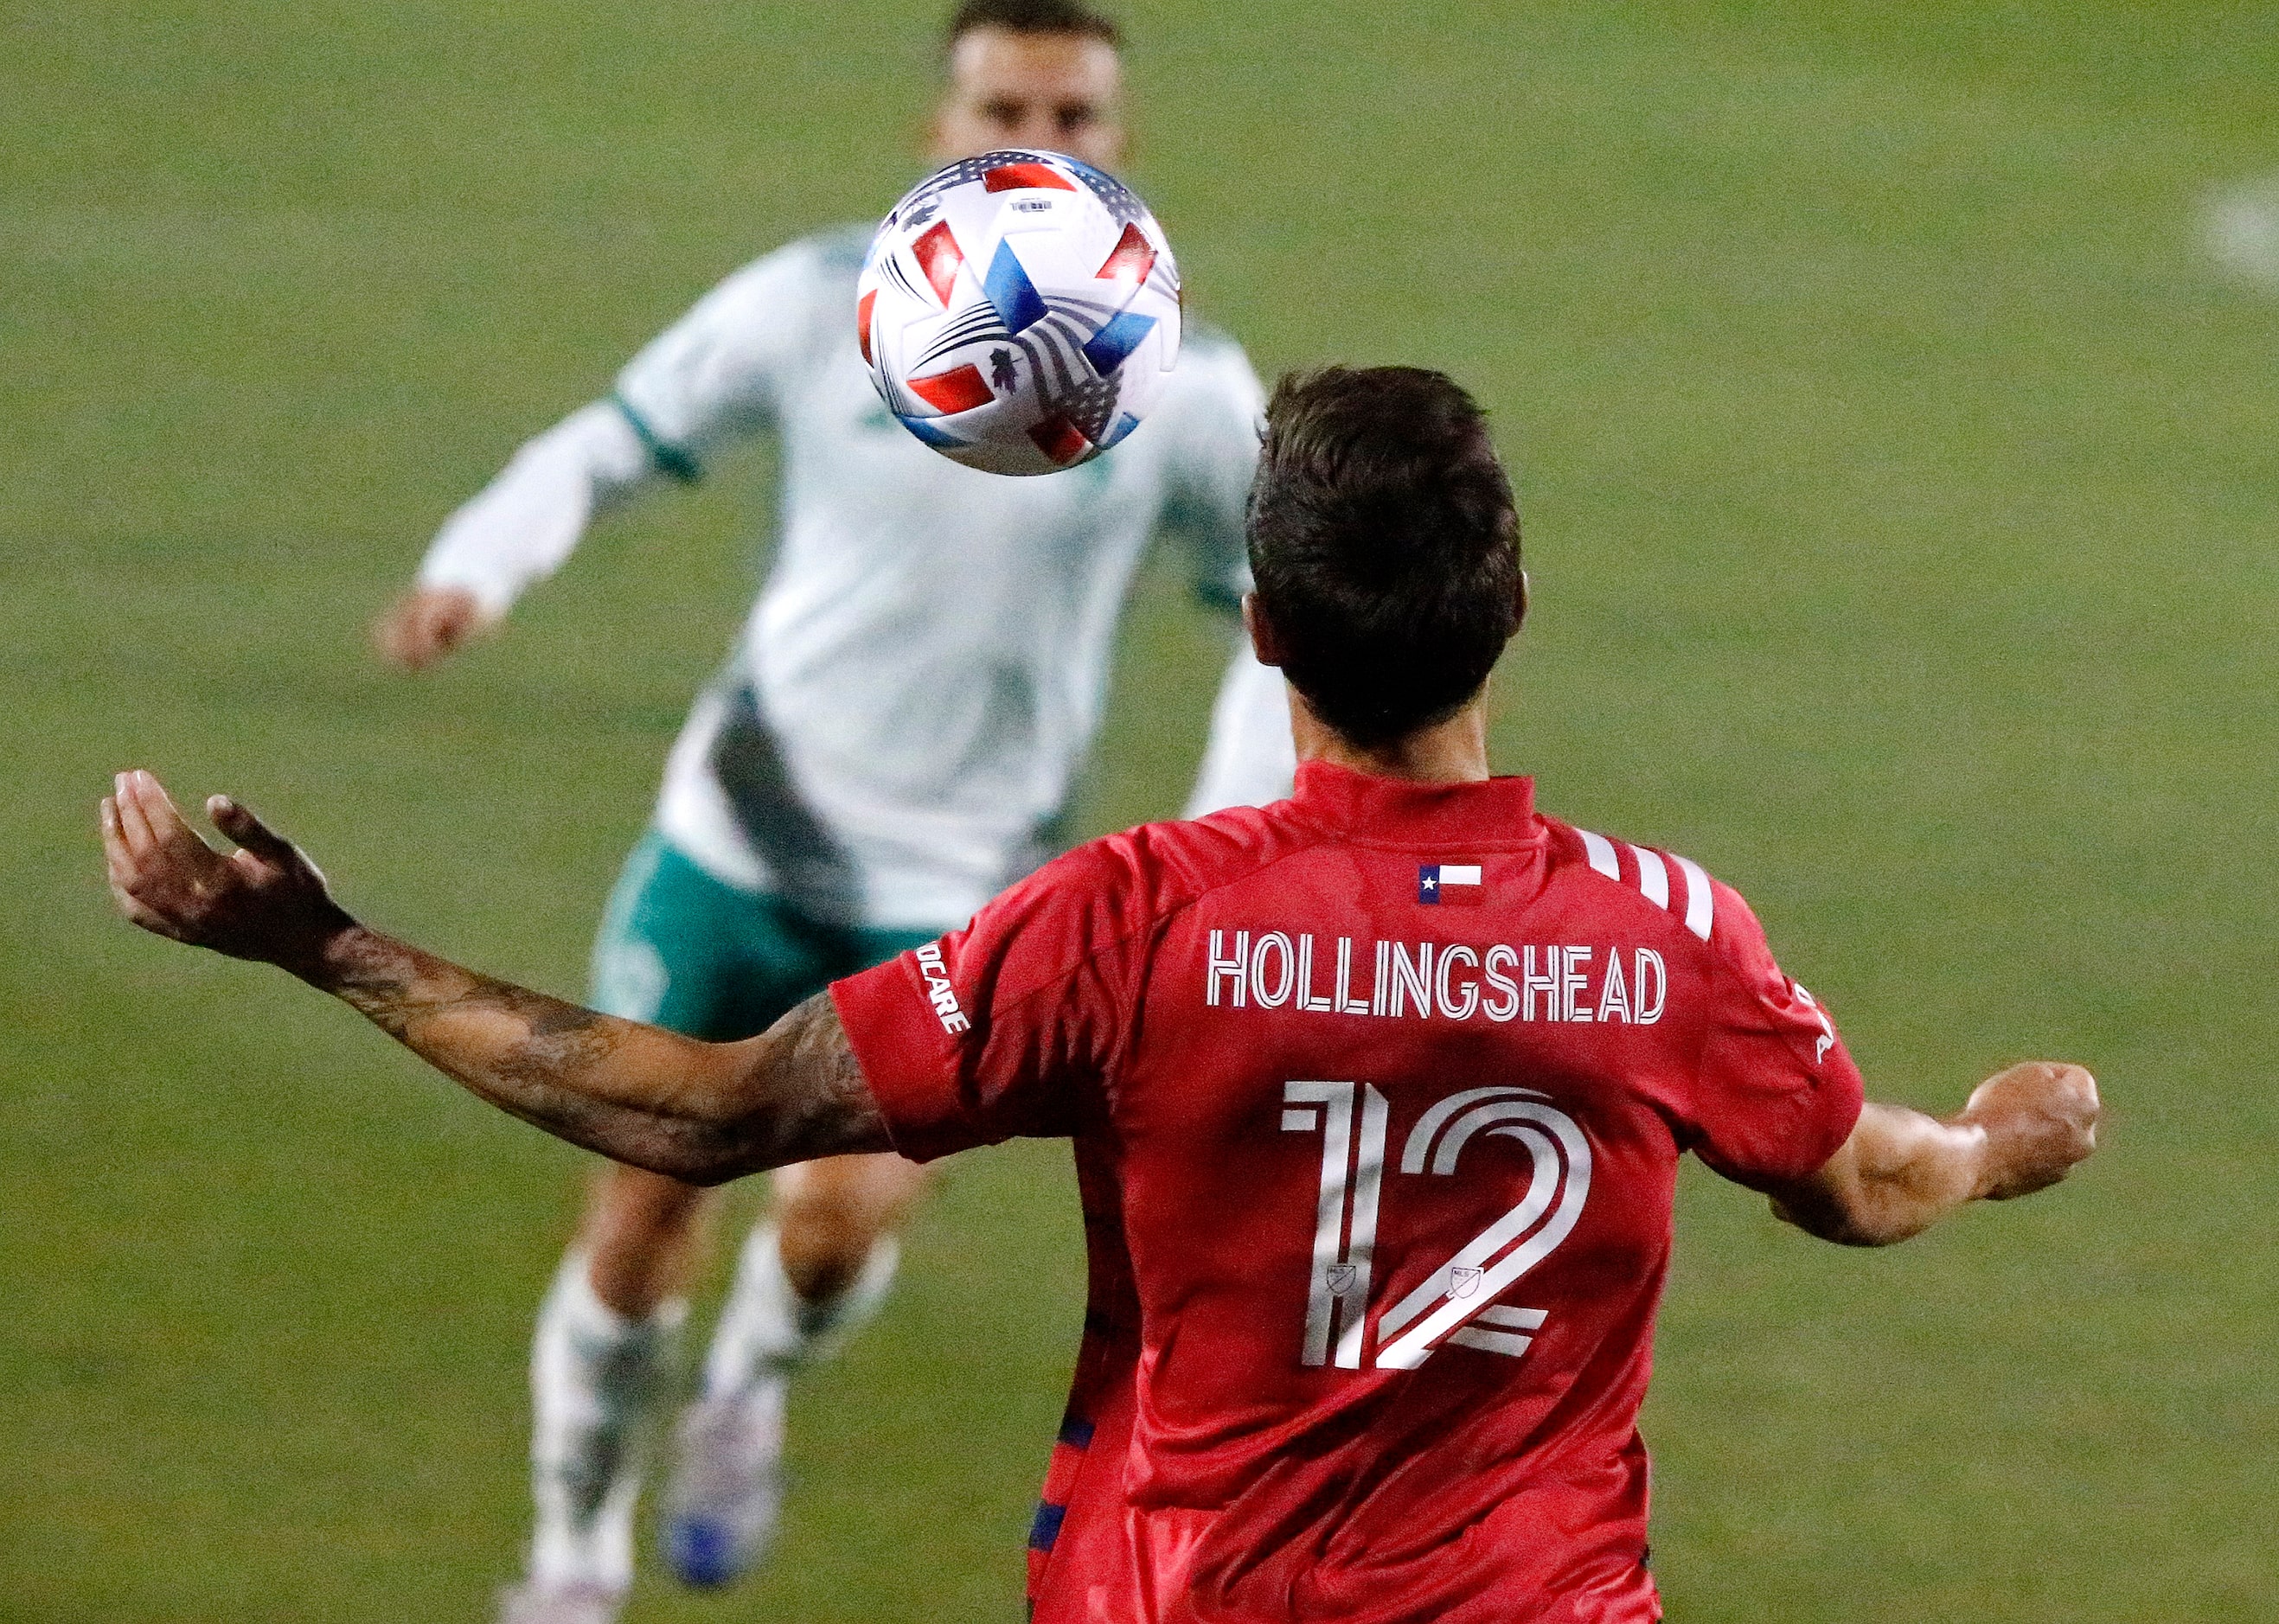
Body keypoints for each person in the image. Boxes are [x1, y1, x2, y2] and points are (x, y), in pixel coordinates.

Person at [105, 365, 2101, 1623]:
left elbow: (701, 1114)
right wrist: (2015, 1137)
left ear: (1261, 631)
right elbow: (1869, 1181)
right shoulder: (1667, 936)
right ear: (1512, 608)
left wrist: (324, 946)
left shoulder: (1131, 920)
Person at [368, 1, 1290, 1616]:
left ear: (1122, 148)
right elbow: (617, 436)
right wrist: (478, 560)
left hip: (959, 888)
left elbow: (1285, 625)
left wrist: (1226, 833)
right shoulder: (818, 307)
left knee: (834, 1233)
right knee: (642, 1196)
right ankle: (572, 1560)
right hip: (739, 836)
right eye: (1004, 107)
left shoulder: (1186, 388)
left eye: (1074, 118)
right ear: (937, 129)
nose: (1039, 143)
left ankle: (748, 1390)